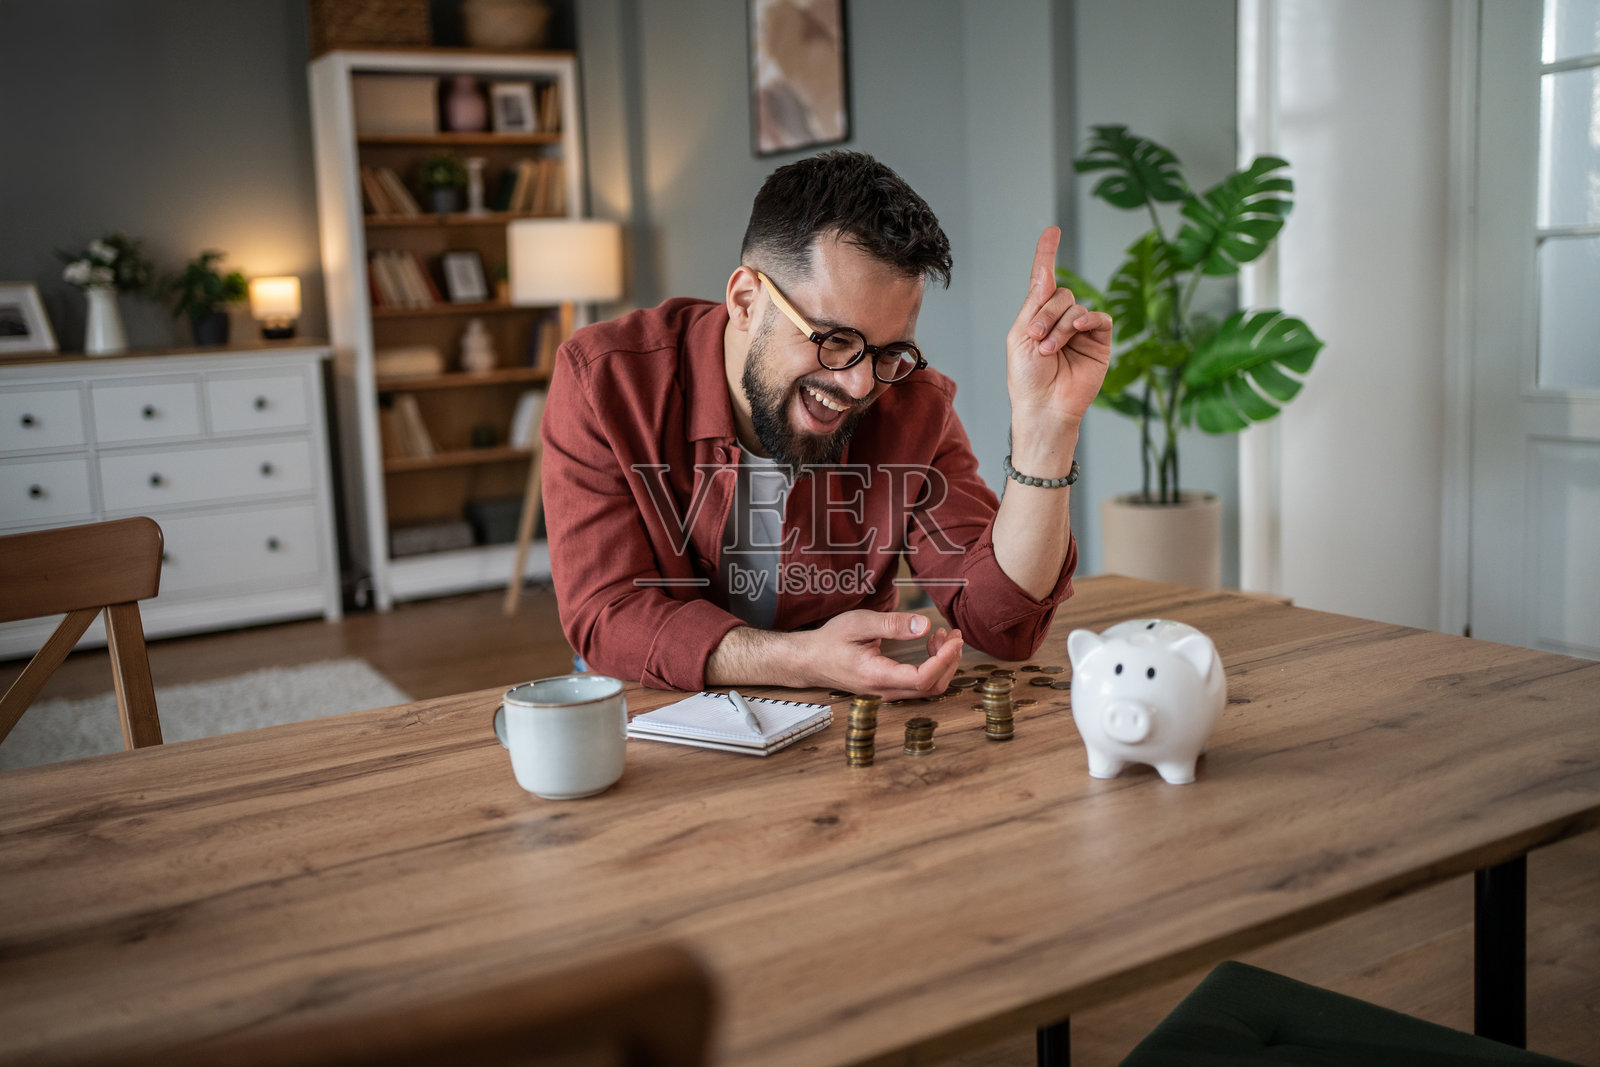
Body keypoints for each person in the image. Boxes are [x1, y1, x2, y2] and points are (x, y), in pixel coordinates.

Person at [542, 151, 1110, 698]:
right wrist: (803, 659)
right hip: (650, 713)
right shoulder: (605, 381)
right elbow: (607, 613)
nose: (862, 386)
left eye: (890, 353)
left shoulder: (911, 405)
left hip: (837, 735)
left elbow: (1003, 625)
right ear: (746, 302)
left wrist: (1046, 429)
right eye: (835, 340)